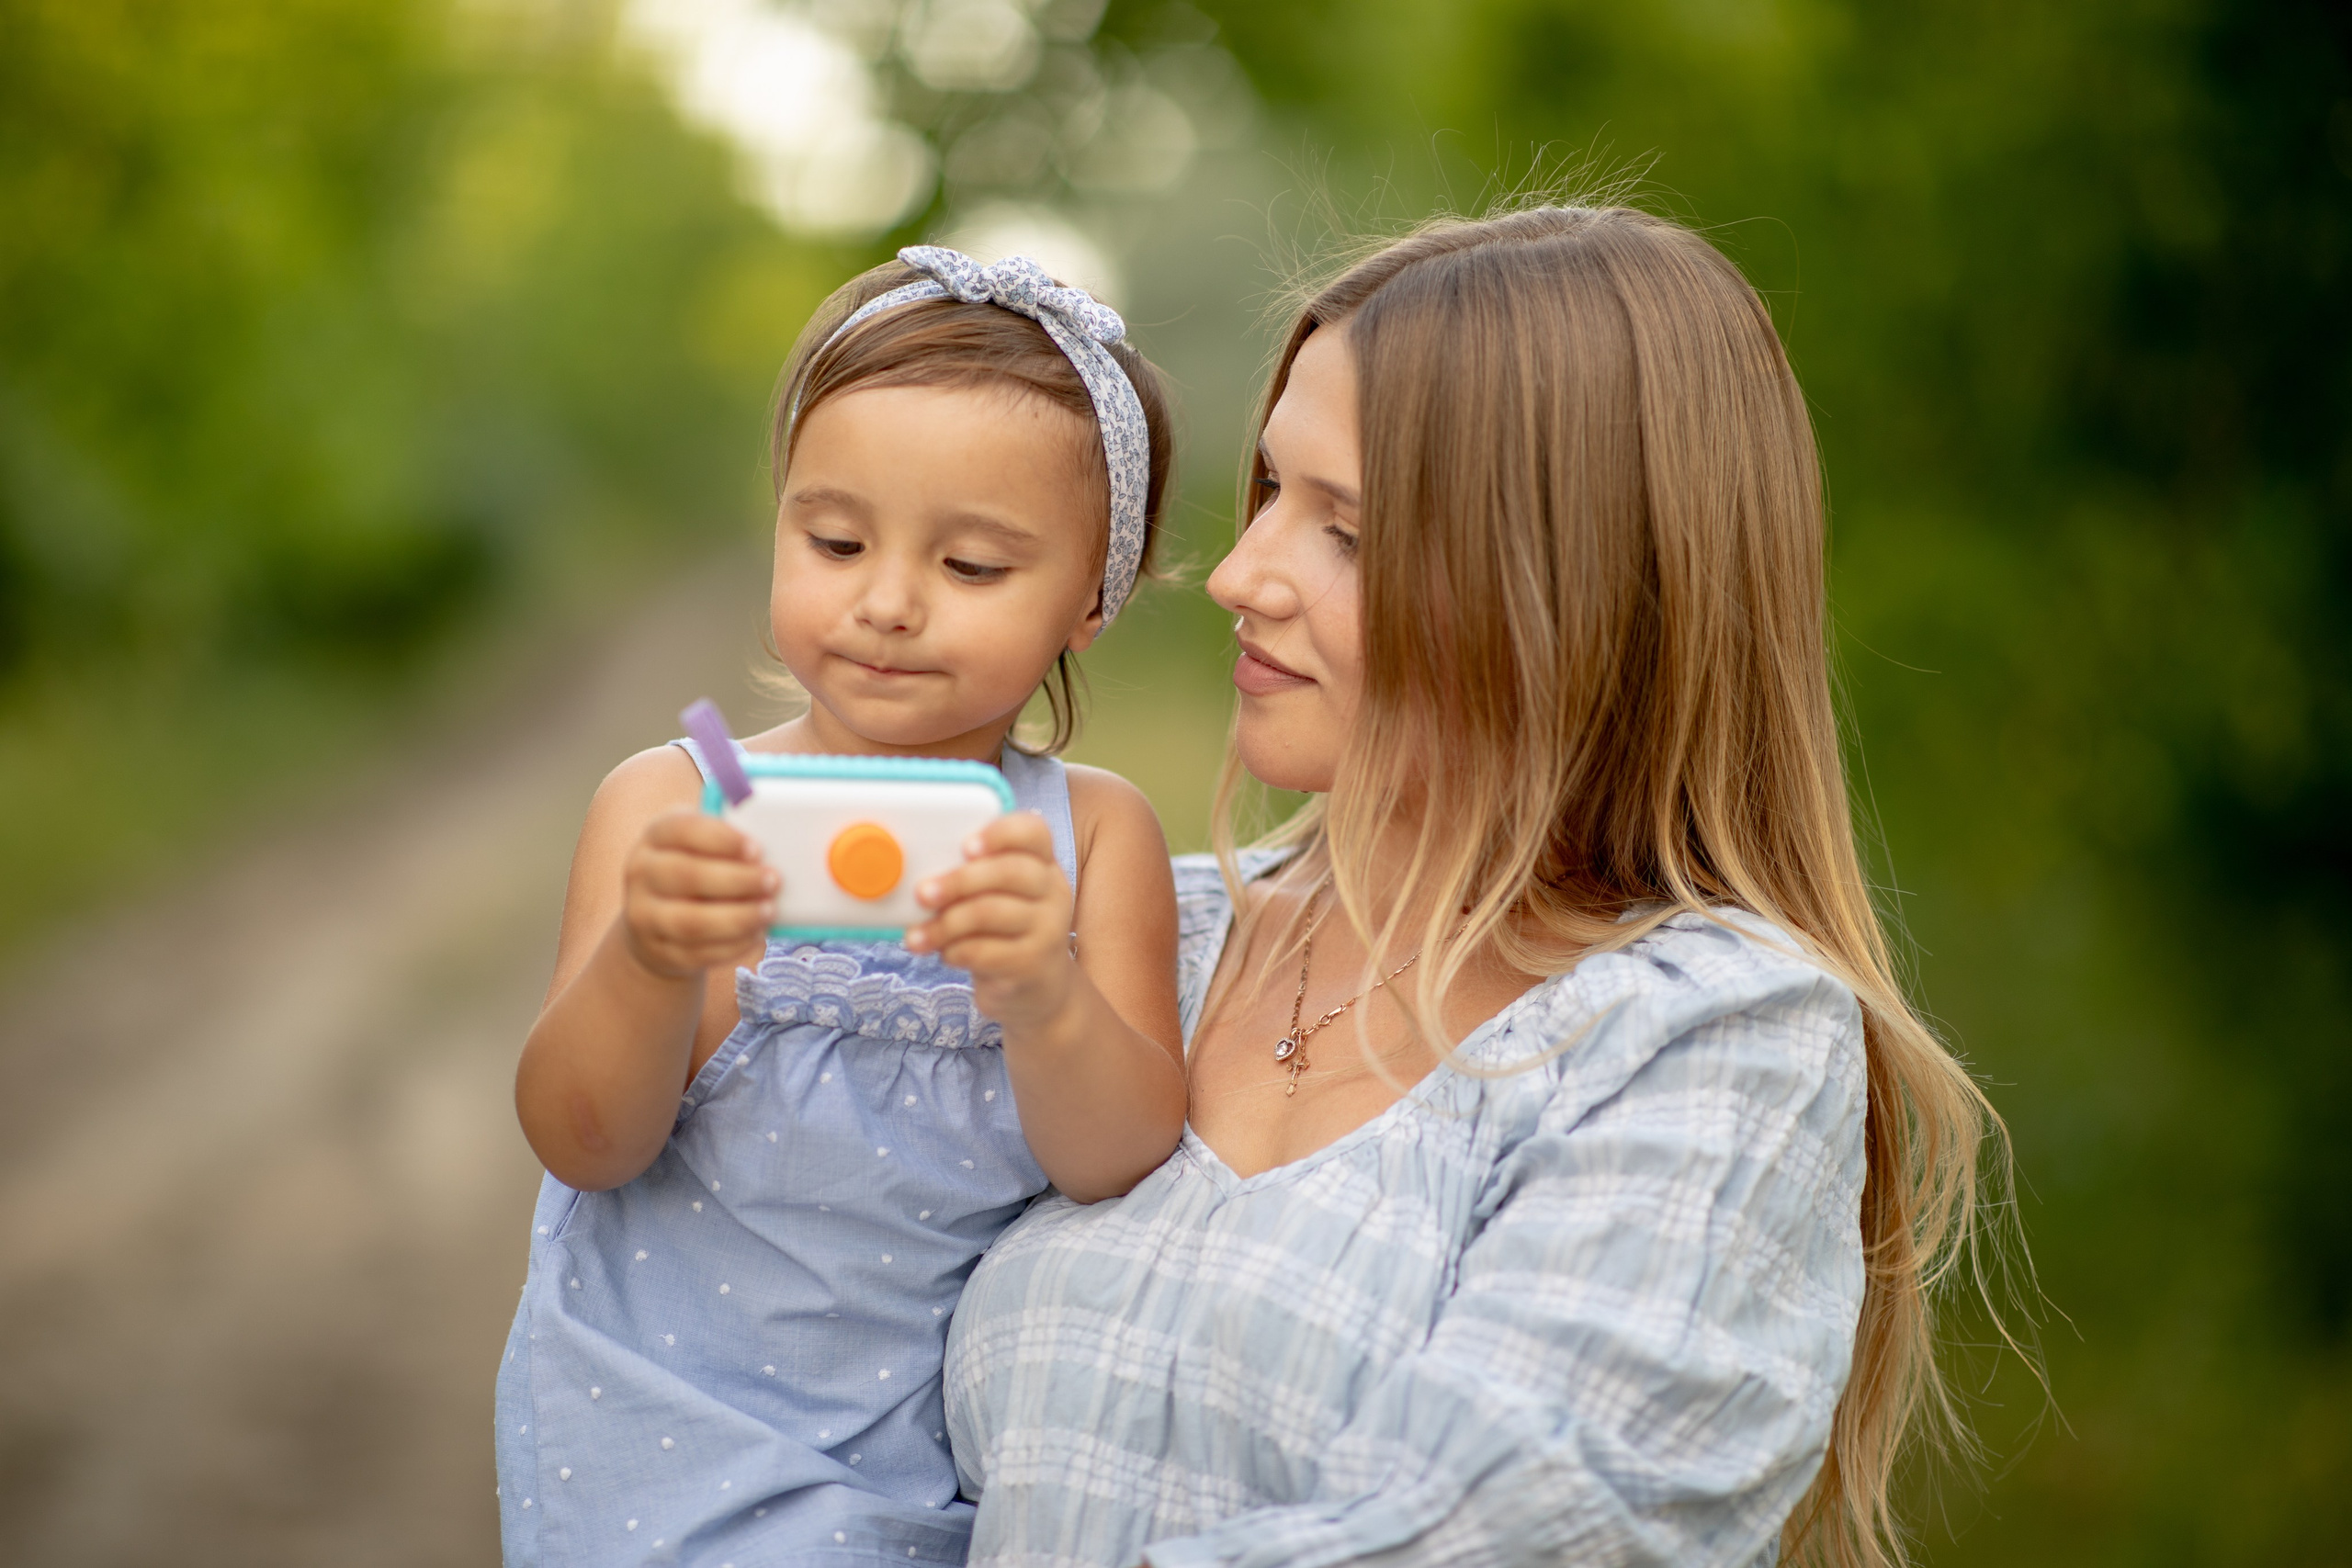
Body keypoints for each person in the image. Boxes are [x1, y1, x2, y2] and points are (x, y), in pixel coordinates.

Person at [944, 204, 2010, 1568]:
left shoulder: (1706, 1036)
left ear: (1568, 597)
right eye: (1270, 491)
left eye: (1348, 534)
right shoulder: (1145, 932)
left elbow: (1496, 1525)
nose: (1241, 574)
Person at [495, 246, 1188, 1566]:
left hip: (916, 1470)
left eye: (971, 566)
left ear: (1091, 598)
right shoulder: (672, 802)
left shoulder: (1092, 837)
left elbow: (1117, 1158)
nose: (886, 603)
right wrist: (650, 958)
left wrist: (1042, 991)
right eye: (835, 542)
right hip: (652, 1438)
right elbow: (583, 1142)